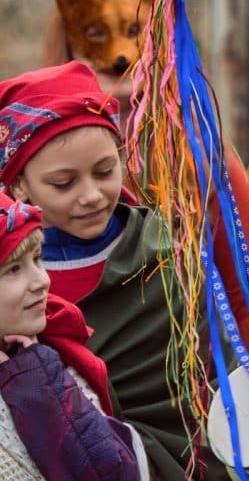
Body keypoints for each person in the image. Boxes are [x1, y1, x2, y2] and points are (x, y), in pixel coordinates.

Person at [0, 61, 230, 479]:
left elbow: (221, 383)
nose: (91, 196)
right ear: (19, 187)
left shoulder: (168, 256)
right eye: (63, 184)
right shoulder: (9, 280)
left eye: (105, 172)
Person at [41, 0, 249, 356]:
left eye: (135, 32)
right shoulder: (27, 162)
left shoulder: (203, 156)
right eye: (95, 33)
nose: (118, 54)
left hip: (183, 389)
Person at [0, 193, 145, 481]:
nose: (42, 280)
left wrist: (40, 384)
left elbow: (120, 471)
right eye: (13, 269)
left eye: (38, 258)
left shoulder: (54, 358)